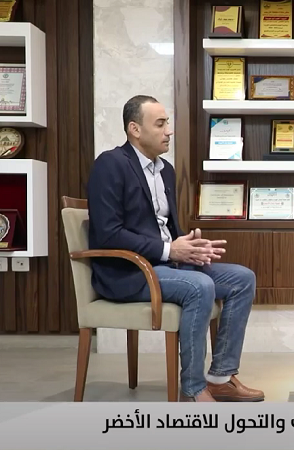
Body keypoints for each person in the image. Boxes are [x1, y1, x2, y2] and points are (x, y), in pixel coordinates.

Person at [87, 95, 263, 402]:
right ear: (135, 129)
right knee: (199, 286)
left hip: (165, 265)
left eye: (167, 123)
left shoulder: (165, 170)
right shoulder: (110, 164)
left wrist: (191, 246)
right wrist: (170, 251)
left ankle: (220, 377)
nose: (169, 130)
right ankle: (193, 388)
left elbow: (164, 228)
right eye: (160, 124)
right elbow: (107, 233)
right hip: (127, 272)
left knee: (242, 279)